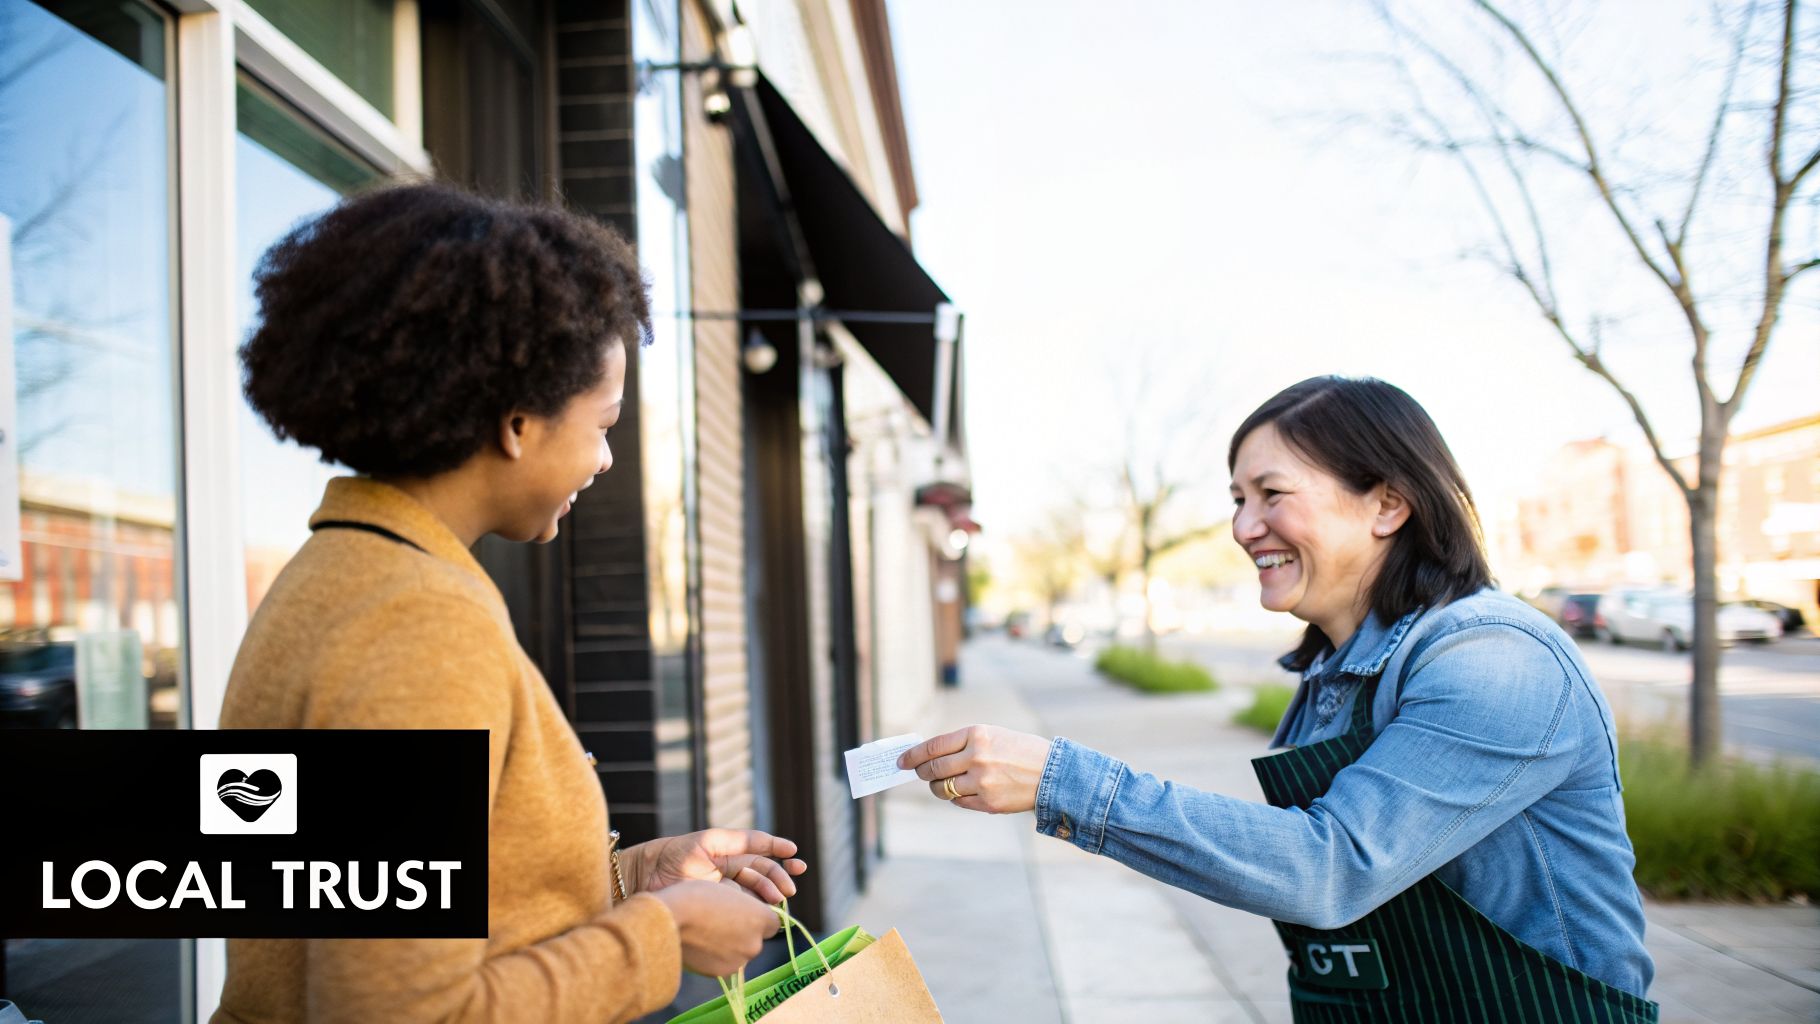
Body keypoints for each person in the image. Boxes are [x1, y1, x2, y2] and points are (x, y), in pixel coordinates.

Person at [214, 184, 801, 1023]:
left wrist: (635, 882)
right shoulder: (417, 625)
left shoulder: (341, 576)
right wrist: (662, 936)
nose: (604, 462)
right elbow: (395, 1011)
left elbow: (385, 899)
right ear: (517, 422)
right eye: (603, 425)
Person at [902, 376, 1658, 1022]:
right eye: (1236, 499)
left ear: (1388, 505)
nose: (1242, 527)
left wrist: (1065, 782)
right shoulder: (1332, 671)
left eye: (1271, 495)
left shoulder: (1497, 660)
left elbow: (1330, 869)